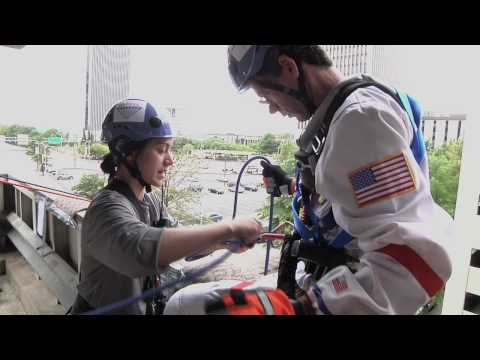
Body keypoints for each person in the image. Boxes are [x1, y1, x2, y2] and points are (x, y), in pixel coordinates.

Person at [164, 45, 453, 315]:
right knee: (185, 302)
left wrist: (303, 308)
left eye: (267, 96)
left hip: (338, 292)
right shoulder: (349, 108)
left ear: (289, 68)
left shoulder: (359, 120)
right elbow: (361, 193)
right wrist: (293, 186)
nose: (272, 108)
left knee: (184, 306)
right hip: (324, 277)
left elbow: (417, 259)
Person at [69, 98, 262, 315]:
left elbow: (178, 238)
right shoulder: (105, 209)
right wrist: (229, 228)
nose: (170, 160)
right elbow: (140, 251)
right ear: (128, 151)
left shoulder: (150, 203)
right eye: (161, 149)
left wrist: (223, 243)